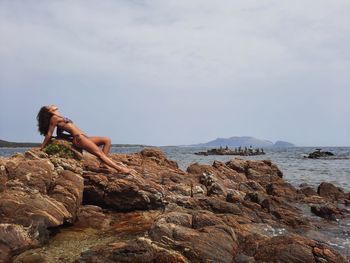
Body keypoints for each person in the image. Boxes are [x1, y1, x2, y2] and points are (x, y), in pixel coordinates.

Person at [37, 104, 132, 174]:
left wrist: (68, 137)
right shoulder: (54, 118)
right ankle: (120, 169)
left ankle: (103, 164)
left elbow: (59, 134)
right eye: (49, 106)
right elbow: (49, 133)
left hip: (83, 137)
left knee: (107, 140)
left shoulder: (58, 117)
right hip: (79, 139)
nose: (52, 105)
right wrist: (42, 147)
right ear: (49, 111)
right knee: (100, 153)